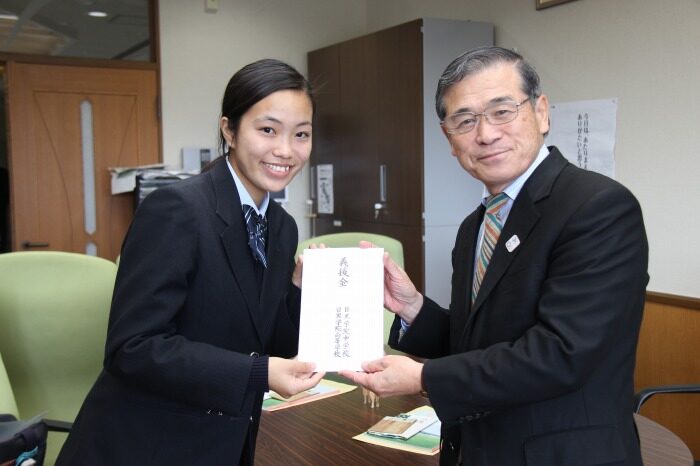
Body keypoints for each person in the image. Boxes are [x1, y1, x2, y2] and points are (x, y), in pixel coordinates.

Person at [341, 46, 648, 466]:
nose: (485, 134)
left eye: (502, 111)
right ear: (449, 139)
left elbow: (561, 354)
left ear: (541, 112)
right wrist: (412, 308)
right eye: (465, 121)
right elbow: (476, 342)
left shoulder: (598, 207)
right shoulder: (476, 226)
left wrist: (424, 378)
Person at [56, 59, 325, 465]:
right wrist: (258, 373)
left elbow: (267, 343)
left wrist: (299, 289)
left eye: (301, 134)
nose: (286, 150)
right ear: (229, 130)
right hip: (146, 444)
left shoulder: (281, 226)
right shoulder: (177, 210)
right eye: (267, 130)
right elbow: (132, 348)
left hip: (224, 441)